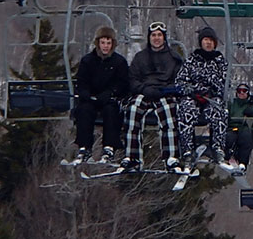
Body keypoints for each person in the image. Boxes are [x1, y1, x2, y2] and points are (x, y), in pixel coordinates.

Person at [121, 21, 184, 173]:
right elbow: (132, 79)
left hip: (164, 93)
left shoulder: (174, 58)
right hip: (144, 92)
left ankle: (171, 157)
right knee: (133, 111)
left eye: (159, 35)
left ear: (164, 38)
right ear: (149, 38)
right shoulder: (140, 57)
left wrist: (166, 90)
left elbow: (180, 81)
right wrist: (143, 89)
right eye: (153, 35)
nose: (156, 38)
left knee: (170, 113)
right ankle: (132, 157)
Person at [65, 24, 129, 165]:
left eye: (108, 43)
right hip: (91, 98)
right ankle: (84, 147)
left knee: (111, 111)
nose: (105, 46)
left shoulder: (119, 62)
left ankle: (109, 147)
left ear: (112, 44)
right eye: (103, 43)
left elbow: (122, 83)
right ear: (97, 43)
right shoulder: (88, 61)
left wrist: (111, 92)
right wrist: (85, 93)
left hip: (109, 99)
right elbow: (81, 81)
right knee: (84, 110)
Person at [174, 24, 229, 164]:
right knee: (186, 109)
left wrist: (211, 89)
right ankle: (187, 149)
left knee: (218, 111)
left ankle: (218, 148)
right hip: (193, 97)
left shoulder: (220, 61)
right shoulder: (192, 60)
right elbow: (180, 81)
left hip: (211, 97)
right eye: (205, 40)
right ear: (201, 42)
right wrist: (193, 90)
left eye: (211, 40)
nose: (208, 43)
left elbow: (225, 83)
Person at [225, 82, 253, 170]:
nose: (241, 93)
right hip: (233, 127)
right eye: (239, 91)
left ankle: (243, 162)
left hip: (246, 128)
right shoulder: (232, 104)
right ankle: (229, 158)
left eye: (244, 91)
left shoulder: (251, 104)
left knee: (246, 137)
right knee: (229, 137)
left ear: (248, 93)